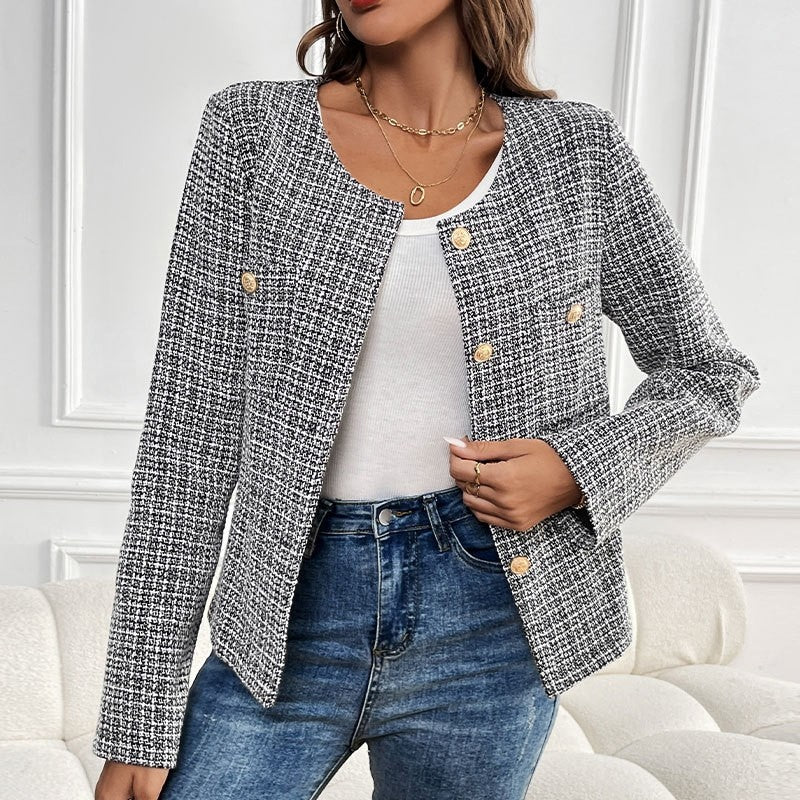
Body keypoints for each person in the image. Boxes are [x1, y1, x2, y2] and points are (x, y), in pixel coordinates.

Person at [93, 1, 761, 799]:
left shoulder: (577, 153)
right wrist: (139, 716)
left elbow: (709, 371)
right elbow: (187, 438)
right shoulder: (253, 133)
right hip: (284, 618)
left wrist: (575, 470)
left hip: (492, 621)